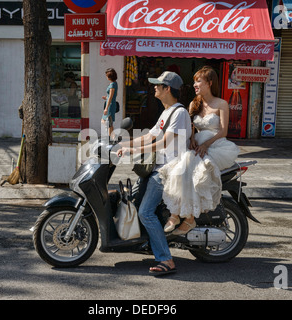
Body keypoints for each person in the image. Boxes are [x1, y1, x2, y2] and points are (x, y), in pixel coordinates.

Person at [117, 71, 192, 276]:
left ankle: (166, 259)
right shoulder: (166, 111)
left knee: (145, 212)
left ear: (168, 89)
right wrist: (122, 142)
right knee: (134, 200)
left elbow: (164, 142)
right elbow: (149, 136)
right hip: (158, 167)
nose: (154, 87)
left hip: (169, 169)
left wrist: (133, 151)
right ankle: (151, 240)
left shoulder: (179, 113)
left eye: (158, 85)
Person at [159, 66, 240, 235]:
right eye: (194, 81)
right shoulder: (193, 103)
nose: (195, 84)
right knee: (180, 169)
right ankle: (178, 214)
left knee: (191, 167)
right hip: (196, 148)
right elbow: (191, 129)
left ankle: (186, 218)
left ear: (209, 83)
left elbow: (223, 131)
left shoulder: (221, 103)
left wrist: (205, 144)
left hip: (216, 147)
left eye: (198, 81)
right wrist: (192, 140)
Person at [101, 68, 118, 137]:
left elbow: (111, 96)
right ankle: (112, 137)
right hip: (111, 104)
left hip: (110, 105)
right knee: (109, 123)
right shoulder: (114, 83)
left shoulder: (112, 85)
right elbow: (114, 95)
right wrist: (106, 97)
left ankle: (111, 137)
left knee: (105, 121)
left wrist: (106, 108)